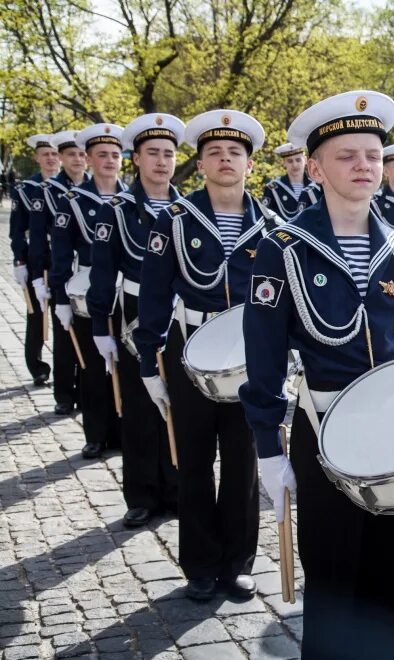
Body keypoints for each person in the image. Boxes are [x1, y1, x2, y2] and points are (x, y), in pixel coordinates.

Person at [241, 90, 394, 658]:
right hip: (324, 432)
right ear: (317, 167)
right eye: (347, 156)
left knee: (382, 576)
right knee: (330, 573)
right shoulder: (283, 249)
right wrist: (266, 448)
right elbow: (264, 353)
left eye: (372, 155)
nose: (364, 167)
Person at [135, 109, 270, 602]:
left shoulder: (272, 226)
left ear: (249, 165)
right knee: (192, 462)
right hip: (188, 352)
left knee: (242, 463)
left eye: (235, 152)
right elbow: (152, 297)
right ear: (201, 164)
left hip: (250, 358)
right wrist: (149, 362)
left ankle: (238, 562)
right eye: (214, 152)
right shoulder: (173, 221)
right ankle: (199, 563)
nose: (226, 159)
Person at [87, 113, 184, 526]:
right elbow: (103, 271)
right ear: (136, 160)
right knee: (141, 407)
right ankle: (142, 494)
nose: (161, 162)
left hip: (179, 316)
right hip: (134, 315)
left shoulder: (188, 208)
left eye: (168, 154)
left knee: (177, 404)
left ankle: (179, 488)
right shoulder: (118, 211)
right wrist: (98, 326)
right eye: (153, 154)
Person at [49, 123, 127, 459]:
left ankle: (124, 428)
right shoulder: (73, 201)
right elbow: (62, 253)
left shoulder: (131, 197)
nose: (109, 161)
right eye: (101, 155)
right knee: (94, 366)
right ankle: (96, 433)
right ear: (89, 160)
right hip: (88, 291)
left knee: (124, 365)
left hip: (127, 293)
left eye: (115, 155)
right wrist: (60, 296)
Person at [30, 129, 89, 415]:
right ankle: (65, 394)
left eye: (81, 154)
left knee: (91, 338)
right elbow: (40, 236)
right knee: (65, 336)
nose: (77, 159)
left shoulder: (97, 187)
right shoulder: (48, 191)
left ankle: (84, 388)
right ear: (62, 158)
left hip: (92, 274)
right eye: (71, 154)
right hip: (63, 270)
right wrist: (35, 273)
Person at [10, 134, 59, 386]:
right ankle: (38, 366)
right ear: (37, 158)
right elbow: (17, 229)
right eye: (46, 154)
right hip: (36, 260)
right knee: (36, 316)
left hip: (62, 261)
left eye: (54, 154)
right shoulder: (25, 189)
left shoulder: (70, 187)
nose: (51, 159)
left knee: (63, 319)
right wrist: (19, 261)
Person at [261, 142, 319, 220]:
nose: (294, 165)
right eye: (290, 161)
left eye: (298, 160)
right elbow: (265, 217)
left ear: (305, 160)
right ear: (284, 163)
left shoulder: (316, 187)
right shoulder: (273, 188)